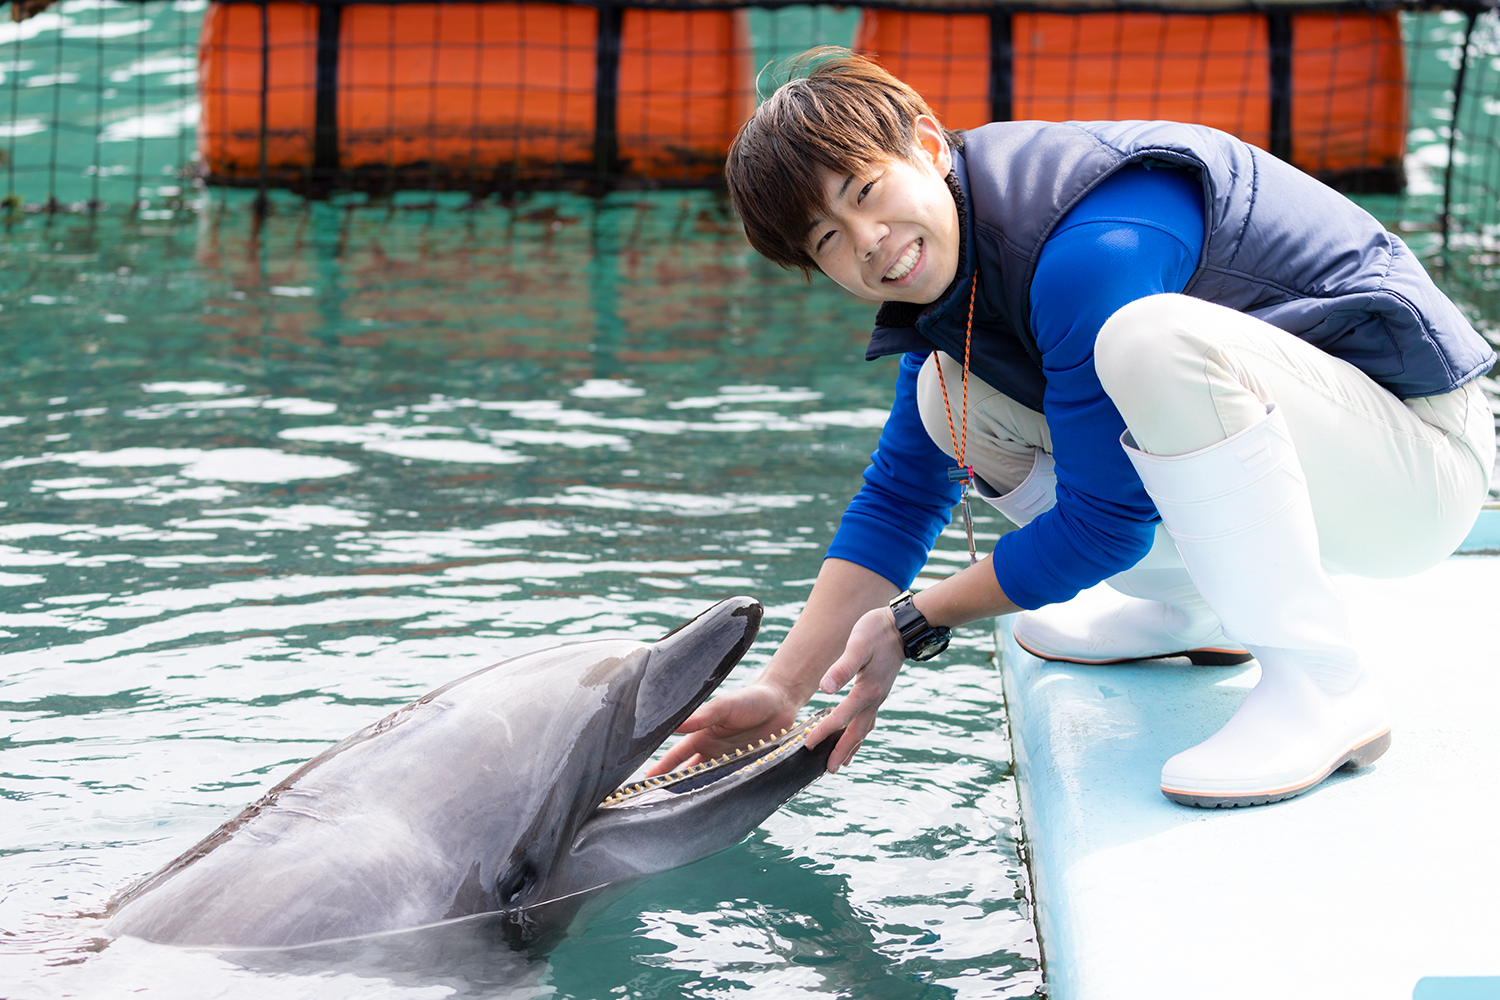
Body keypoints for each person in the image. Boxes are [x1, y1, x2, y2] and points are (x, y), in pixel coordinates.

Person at [648, 50, 1496, 807]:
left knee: (1150, 341)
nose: (868, 242)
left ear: (929, 144)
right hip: (1323, 464)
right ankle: (1196, 607)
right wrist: (785, 688)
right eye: (829, 239)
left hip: (1417, 468)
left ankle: (1322, 680)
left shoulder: (1084, 242)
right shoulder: (958, 283)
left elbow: (1103, 529)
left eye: (866, 192)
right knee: (946, 403)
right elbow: (902, 497)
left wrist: (916, 620)